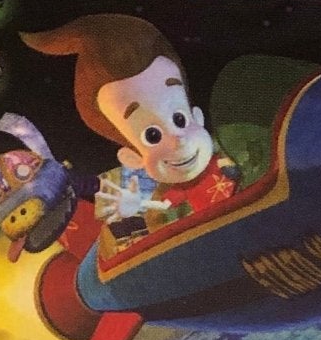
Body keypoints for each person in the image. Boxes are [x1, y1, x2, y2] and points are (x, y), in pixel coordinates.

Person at [22, 16, 238, 244]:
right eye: (153, 136)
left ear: (197, 116)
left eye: (179, 119)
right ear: (132, 157)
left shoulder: (233, 144)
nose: (178, 141)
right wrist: (137, 207)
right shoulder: (167, 193)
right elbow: (163, 212)